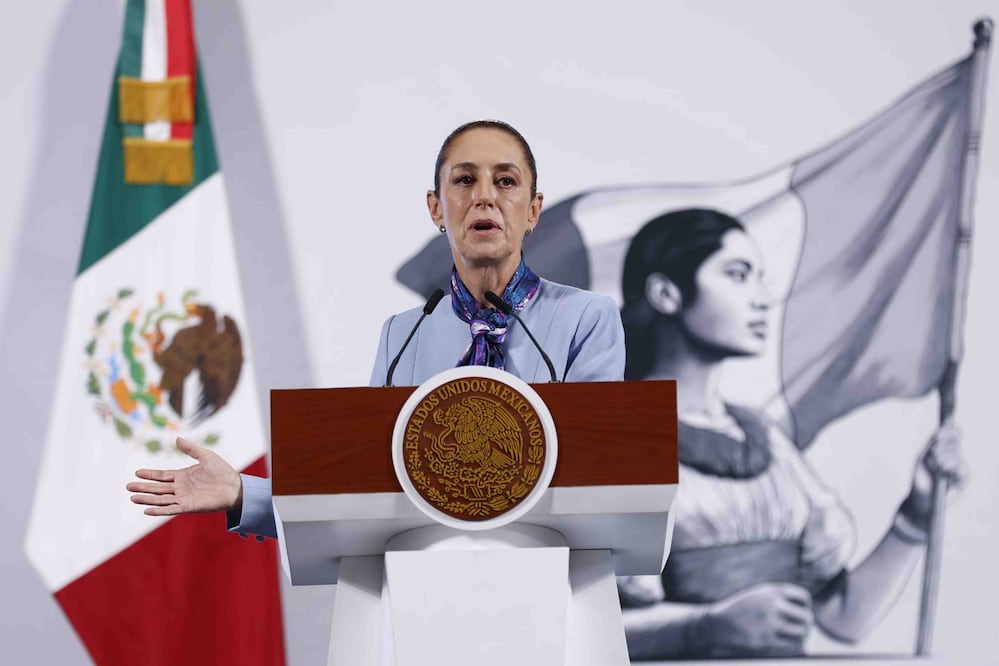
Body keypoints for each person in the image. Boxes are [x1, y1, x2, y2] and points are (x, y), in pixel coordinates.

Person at [126, 120, 625, 538]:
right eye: (465, 180)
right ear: (436, 208)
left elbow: (601, 476)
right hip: (427, 596)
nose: (485, 198)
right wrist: (245, 492)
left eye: (506, 181)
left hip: (547, 582)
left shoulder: (585, 319)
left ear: (533, 210)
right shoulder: (404, 334)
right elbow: (369, 489)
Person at [616, 208, 964, 659]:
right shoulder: (618, 438)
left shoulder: (767, 441)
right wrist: (705, 627)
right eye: (738, 275)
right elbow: (586, 629)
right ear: (666, 293)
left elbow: (844, 618)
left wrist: (916, 515)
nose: (762, 299)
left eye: (759, 277)